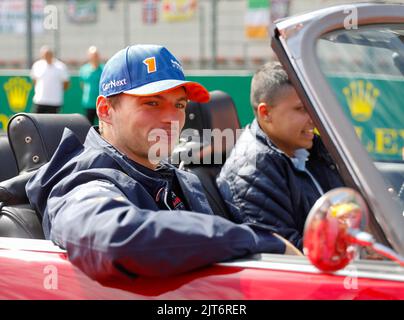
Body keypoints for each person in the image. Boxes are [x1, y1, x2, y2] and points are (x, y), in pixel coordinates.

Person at [26, 45, 290, 282]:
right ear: (106, 110)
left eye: (179, 104)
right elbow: (117, 239)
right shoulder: (85, 181)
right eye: (152, 102)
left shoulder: (173, 176)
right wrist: (253, 239)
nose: (171, 118)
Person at [217, 62, 344, 251]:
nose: (313, 118)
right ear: (265, 113)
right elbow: (290, 253)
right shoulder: (252, 170)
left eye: (314, 107)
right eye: (301, 109)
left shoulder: (310, 149)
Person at [30, 46, 70, 113]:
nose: (46, 56)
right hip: (40, 100)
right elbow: (34, 80)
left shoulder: (61, 66)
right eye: (44, 54)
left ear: (52, 54)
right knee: (35, 121)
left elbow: (66, 84)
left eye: (48, 54)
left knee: (53, 122)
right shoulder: (37, 65)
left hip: (55, 102)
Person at [79, 46, 104, 124]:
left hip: (101, 103)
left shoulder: (104, 69)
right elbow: (82, 84)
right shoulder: (84, 69)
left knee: (103, 125)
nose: (94, 58)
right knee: (89, 125)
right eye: (92, 56)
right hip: (88, 103)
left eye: (96, 55)